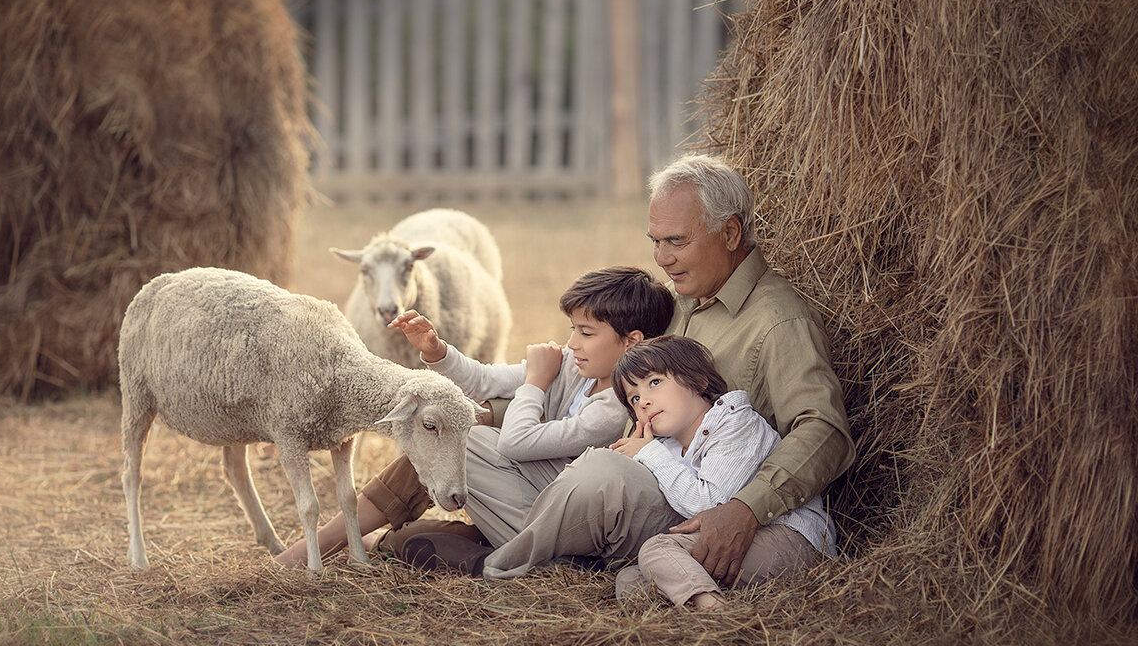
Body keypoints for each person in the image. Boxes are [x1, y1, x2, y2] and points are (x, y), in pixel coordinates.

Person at [398, 153, 853, 585]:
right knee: (468, 438)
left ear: (731, 233)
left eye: (676, 241)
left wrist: (744, 509)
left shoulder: (778, 320)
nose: (661, 257)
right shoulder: (680, 302)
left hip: (688, 497)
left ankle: (496, 563)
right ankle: (559, 555)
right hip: (626, 468)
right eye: (655, 241)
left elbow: (824, 431)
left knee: (599, 473)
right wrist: (492, 405)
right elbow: (587, 365)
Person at [274, 266, 674, 567]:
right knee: (404, 538)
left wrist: (535, 382)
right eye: (572, 329)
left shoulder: (615, 408)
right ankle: (389, 541)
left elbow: (516, 442)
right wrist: (436, 351)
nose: (571, 342)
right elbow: (484, 379)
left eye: (586, 333)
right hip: (519, 498)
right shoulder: (572, 366)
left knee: (460, 438)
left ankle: (508, 558)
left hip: (550, 525)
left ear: (630, 342)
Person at [606, 335, 835, 609]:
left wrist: (648, 454)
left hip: (790, 538)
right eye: (634, 398)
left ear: (698, 381)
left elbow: (708, 504)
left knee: (657, 549)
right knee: (631, 581)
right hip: (728, 546)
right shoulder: (665, 449)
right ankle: (701, 617)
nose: (643, 401)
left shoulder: (736, 424)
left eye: (654, 382)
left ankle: (718, 615)